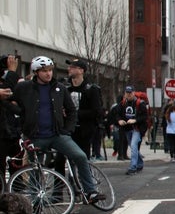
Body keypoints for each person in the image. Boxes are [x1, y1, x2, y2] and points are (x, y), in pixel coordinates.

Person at [10, 56, 106, 204]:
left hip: (57, 135)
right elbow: (9, 101)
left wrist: (67, 130)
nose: (48, 74)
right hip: (35, 136)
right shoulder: (24, 88)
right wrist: (22, 113)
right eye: (44, 71)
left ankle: (90, 191)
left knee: (80, 156)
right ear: (36, 72)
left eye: (50, 70)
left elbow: (71, 111)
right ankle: (37, 203)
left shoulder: (59, 88)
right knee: (36, 168)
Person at [64, 59, 104, 157]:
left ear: (81, 70)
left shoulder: (91, 89)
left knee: (82, 158)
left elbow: (97, 111)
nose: (69, 69)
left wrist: (75, 113)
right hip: (67, 130)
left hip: (84, 131)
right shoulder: (65, 88)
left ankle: (84, 172)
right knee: (61, 158)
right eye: (69, 67)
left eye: (73, 67)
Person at [0, 54, 22, 190]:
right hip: (3, 132)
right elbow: (7, 92)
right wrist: (12, 72)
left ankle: (17, 192)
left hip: (12, 129)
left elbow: (10, 95)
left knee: (17, 164)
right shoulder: (9, 78)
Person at [116, 86, 149, 175]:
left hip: (137, 128)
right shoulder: (122, 103)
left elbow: (145, 116)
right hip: (127, 128)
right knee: (133, 146)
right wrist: (119, 120)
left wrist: (135, 120)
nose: (128, 94)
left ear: (134, 93)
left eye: (130, 92)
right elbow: (117, 114)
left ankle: (133, 167)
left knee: (134, 145)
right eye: (127, 92)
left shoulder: (140, 103)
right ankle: (140, 163)